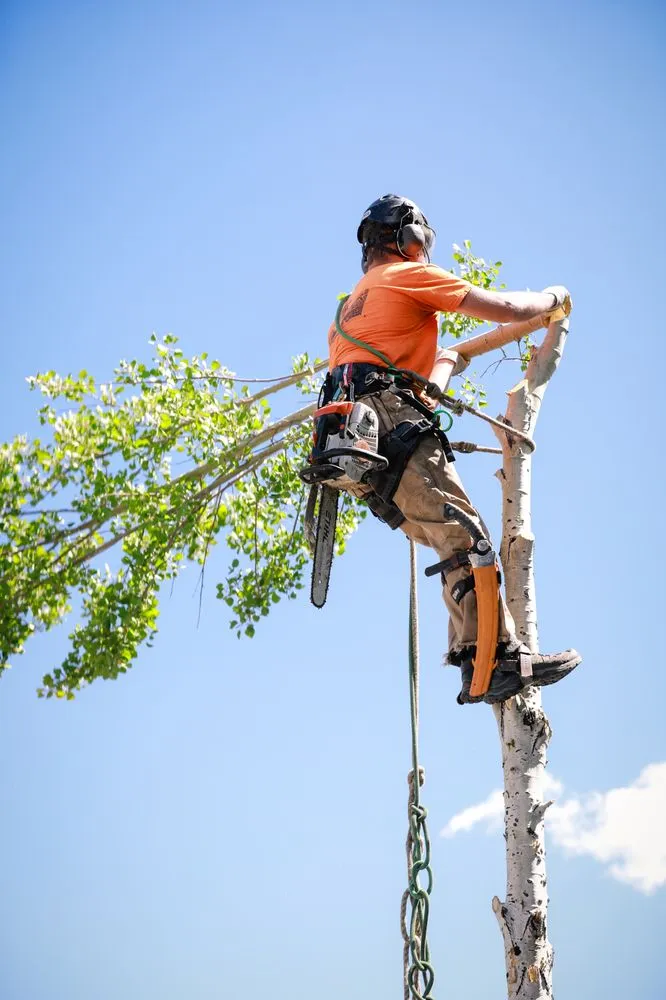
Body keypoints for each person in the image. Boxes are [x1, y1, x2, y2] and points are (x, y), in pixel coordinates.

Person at [324, 194, 581, 705]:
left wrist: (443, 368)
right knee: (467, 537)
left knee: (454, 542)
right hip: (388, 421)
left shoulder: (349, 308)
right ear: (408, 239)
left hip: (355, 444)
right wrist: (554, 300)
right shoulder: (405, 275)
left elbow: (408, 365)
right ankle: (500, 660)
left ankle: (476, 660)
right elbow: (504, 308)